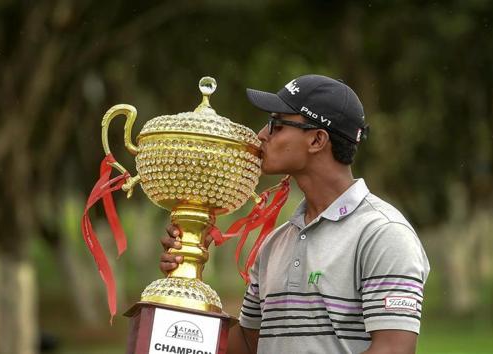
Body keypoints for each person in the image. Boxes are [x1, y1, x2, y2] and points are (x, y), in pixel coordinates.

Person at [160, 74, 430, 354]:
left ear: (316, 140)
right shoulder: (274, 244)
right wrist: (185, 283)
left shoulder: (383, 234)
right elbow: (248, 345)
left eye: (276, 124)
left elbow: (393, 350)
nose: (261, 135)